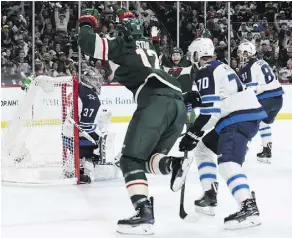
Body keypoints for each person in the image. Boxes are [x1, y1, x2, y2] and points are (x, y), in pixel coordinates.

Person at [77, 9, 200, 235]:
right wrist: (128, 20)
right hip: (178, 105)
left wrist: (86, 21)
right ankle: (172, 165)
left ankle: (144, 213)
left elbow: (86, 41)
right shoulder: (149, 47)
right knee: (146, 159)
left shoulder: (121, 45)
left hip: (155, 102)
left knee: (129, 160)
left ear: (122, 33)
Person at [179, 38, 267, 229]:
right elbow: (220, 98)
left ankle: (248, 207)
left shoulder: (205, 70)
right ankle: (209, 195)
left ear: (197, 54)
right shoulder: (221, 67)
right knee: (203, 149)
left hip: (237, 118)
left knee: (228, 163)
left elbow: (211, 111)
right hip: (240, 115)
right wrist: (198, 100)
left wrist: (192, 133)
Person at [238, 41, 284, 163]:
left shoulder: (248, 67)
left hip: (265, 99)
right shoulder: (262, 62)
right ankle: (267, 150)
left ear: (251, 52)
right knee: (264, 123)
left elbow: (251, 90)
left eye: (245, 53)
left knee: (248, 122)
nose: (242, 55)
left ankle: (241, 150)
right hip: (278, 99)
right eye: (241, 53)